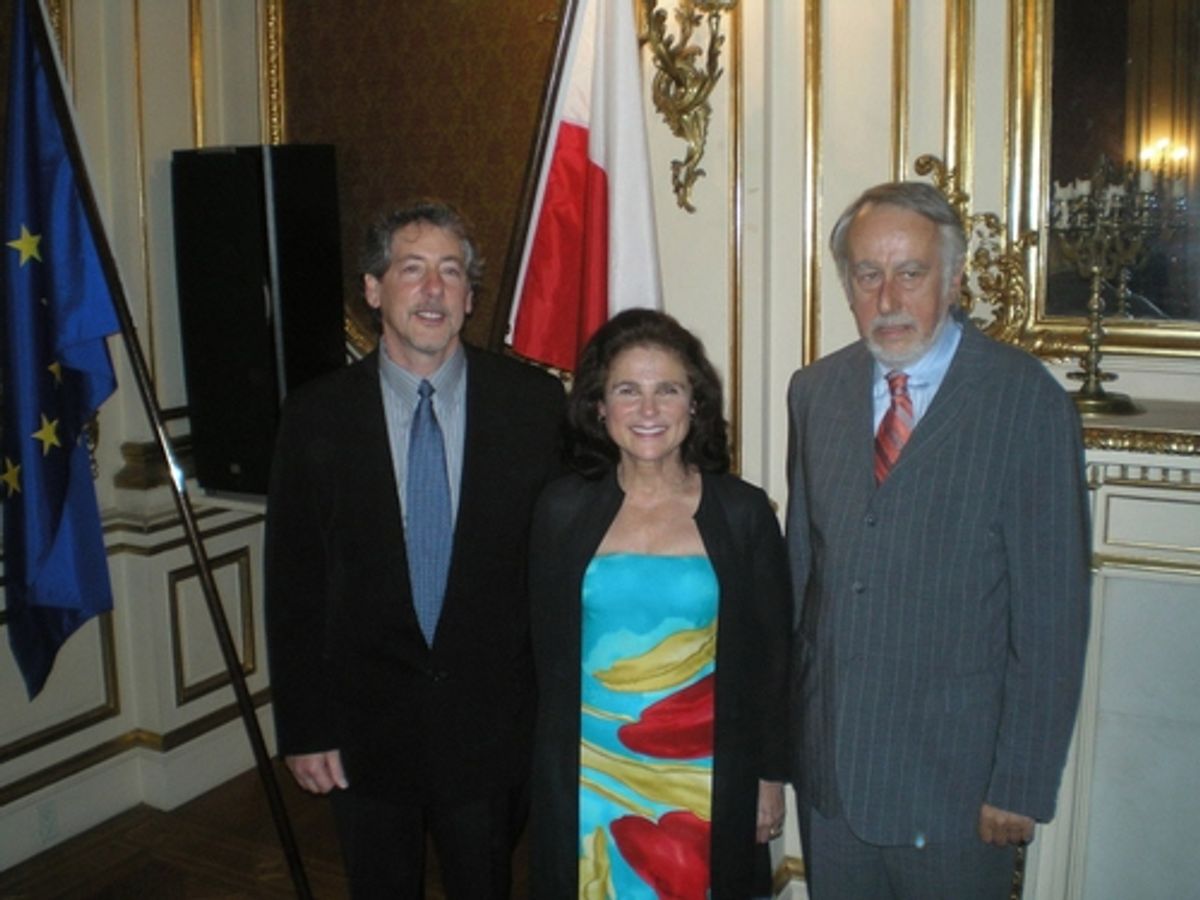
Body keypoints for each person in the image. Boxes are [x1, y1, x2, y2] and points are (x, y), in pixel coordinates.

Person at [786, 181, 1091, 899]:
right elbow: (804, 581)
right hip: (832, 786)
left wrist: (1021, 780)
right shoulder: (815, 391)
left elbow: (1052, 615)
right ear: (847, 284)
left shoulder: (1026, 402)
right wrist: (786, 750)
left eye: (911, 273)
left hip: (956, 793)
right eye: (868, 274)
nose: (887, 297)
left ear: (952, 280)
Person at [264, 200, 565, 898]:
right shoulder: (315, 415)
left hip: (493, 731)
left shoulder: (533, 405)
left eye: (450, 272)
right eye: (411, 269)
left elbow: (562, 564)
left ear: (468, 297)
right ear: (373, 291)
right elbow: (294, 585)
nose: (432, 289)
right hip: (364, 733)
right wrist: (304, 728)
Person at [528, 308, 791, 899]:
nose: (648, 410)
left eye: (667, 390)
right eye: (628, 390)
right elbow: (541, 660)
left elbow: (774, 659)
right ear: (599, 406)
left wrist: (768, 779)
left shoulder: (743, 514)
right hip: (589, 781)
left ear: (694, 404)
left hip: (703, 782)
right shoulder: (560, 511)